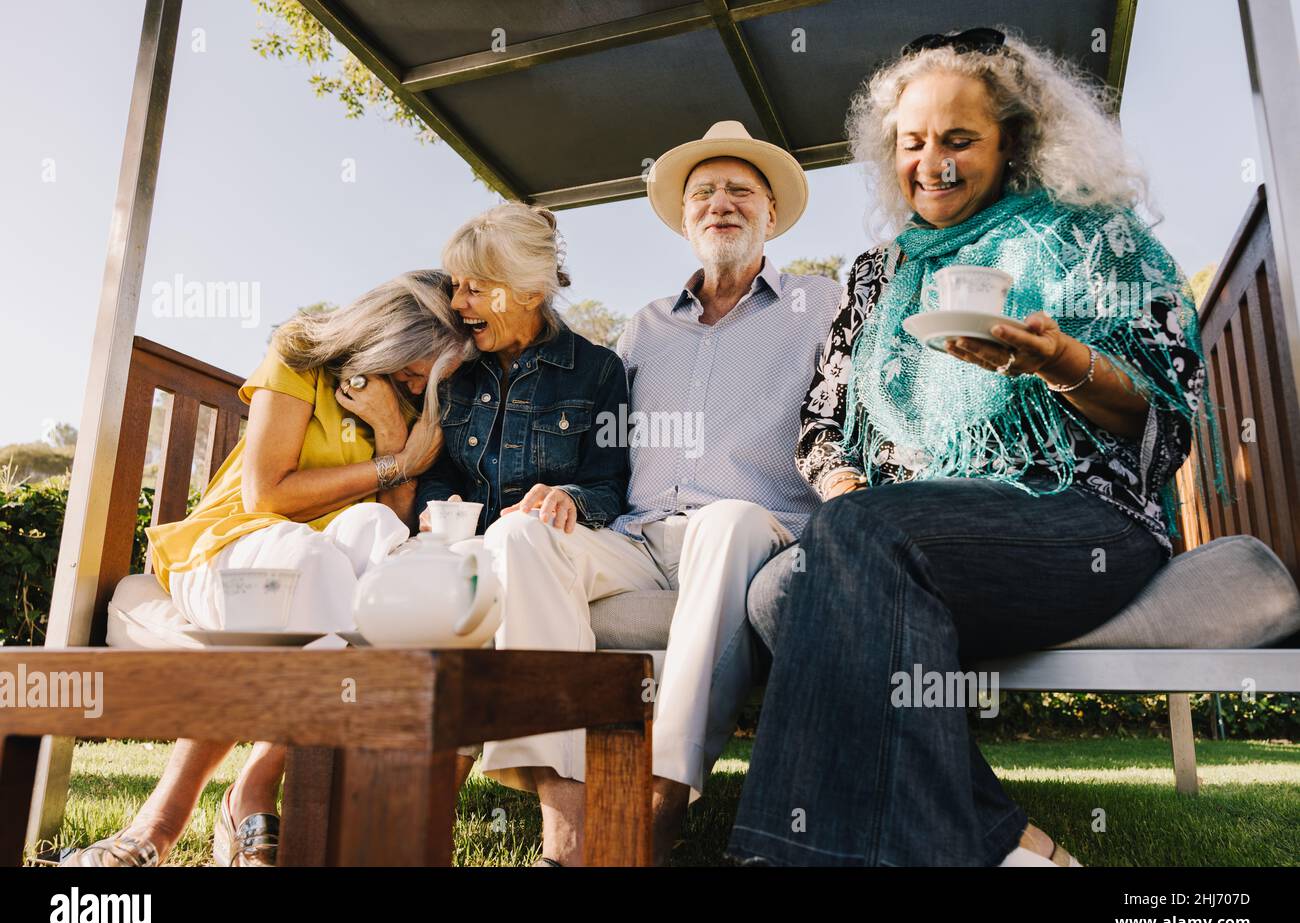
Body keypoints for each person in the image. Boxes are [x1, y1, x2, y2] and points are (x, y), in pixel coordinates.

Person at [734, 27, 1207, 867]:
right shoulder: (878, 274)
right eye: (912, 143)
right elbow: (821, 415)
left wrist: (1062, 362)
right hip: (908, 532)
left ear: (1013, 141)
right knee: (783, 589)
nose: (933, 163)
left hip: (1078, 517)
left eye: (959, 140)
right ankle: (1003, 843)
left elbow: (1165, 421)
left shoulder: (1089, 235)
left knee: (862, 544)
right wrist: (841, 480)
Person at [430, 125, 841, 866]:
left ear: (771, 216)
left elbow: (849, 412)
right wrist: (566, 495)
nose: (721, 204)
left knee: (726, 522)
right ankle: (567, 817)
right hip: (640, 536)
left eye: (740, 191)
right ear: (685, 221)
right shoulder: (645, 326)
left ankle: (662, 798)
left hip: (757, 530)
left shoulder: (823, 305)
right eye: (704, 194)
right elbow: (603, 452)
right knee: (519, 536)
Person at [62, 270, 472, 866]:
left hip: (320, 575)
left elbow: (392, 521)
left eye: (432, 378)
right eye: (414, 366)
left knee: (377, 533)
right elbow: (266, 496)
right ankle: (213, 806)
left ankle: (231, 796)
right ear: (387, 336)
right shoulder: (301, 355)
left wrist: (391, 432)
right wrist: (394, 463)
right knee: (308, 561)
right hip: (230, 551)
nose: (418, 384)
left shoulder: (407, 411)